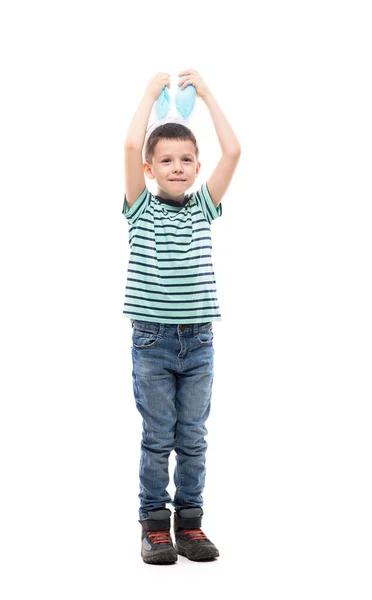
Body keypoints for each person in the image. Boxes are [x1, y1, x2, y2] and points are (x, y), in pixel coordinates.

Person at [122, 69, 241, 564]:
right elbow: (130, 146)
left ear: (196, 167)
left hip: (199, 342)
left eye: (186, 160)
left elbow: (233, 152)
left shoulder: (203, 208)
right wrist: (151, 95)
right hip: (152, 342)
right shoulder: (139, 209)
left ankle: (189, 523)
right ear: (151, 169)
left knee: (193, 436)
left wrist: (208, 95)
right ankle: (154, 526)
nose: (177, 167)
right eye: (166, 160)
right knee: (158, 435)